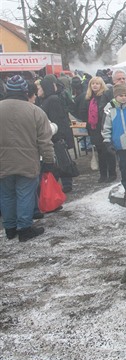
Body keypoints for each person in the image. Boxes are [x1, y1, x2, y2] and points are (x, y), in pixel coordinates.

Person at [0, 75, 56, 241]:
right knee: (25, 193)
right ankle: (24, 228)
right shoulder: (35, 111)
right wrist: (49, 160)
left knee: (7, 194)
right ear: (25, 91)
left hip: (2, 161)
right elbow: (44, 140)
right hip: (27, 160)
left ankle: (10, 228)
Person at [102, 84, 126, 200]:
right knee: (124, 168)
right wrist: (108, 142)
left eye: (125, 95)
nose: (123, 98)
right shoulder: (109, 109)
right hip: (119, 145)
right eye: (120, 95)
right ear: (115, 96)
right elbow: (105, 127)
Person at [39, 74, 75, 193]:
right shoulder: (49, 99)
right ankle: (64, 186)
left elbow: (58, 120)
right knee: (60, 162)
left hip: (56, 137)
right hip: (56, 137)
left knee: (61, 162)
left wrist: (58, 137)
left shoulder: (52, 100)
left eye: (40, 88)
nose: (38, 90)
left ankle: (64, 186)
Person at [80, 76, 117, 183]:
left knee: (108, 151)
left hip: (104, 127)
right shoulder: (87, 98)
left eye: (97, 84)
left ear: (102, 85)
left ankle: (112, 173)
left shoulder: (105, 96)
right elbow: (82, 112)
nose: (95, 85)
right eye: (93, 83)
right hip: (94, 129)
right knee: (100, 152)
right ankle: (103, 174)